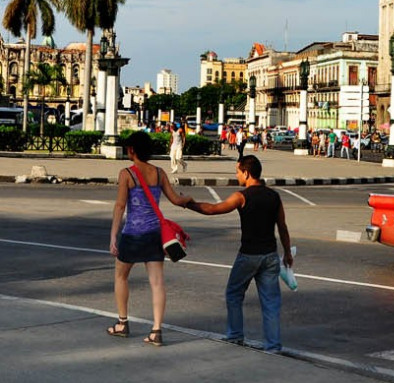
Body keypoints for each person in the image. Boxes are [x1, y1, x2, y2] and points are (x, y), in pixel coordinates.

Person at [186, 155, 293, 353]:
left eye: (238, 171)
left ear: (247, 172)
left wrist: (189, 203)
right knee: (270, 303)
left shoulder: (241, 196)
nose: (237, 175)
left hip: (248, 255)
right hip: (270, 255)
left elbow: (213, 209)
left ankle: (235, 336)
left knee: (234, 294)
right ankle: (273, 346)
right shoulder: (274, 196)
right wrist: (287, 253)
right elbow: (283, 227)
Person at [107, 131, 192, 347]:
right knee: (157, 283)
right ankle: (156, 331)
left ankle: (122, 323)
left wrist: (113, 235)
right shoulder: (159, 172)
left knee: (120, 276)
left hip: (132, 234)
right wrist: (188, 200)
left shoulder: (127, 173)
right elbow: (175, 199)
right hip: (155, 235)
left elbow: (120, 206)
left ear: (132, 150)